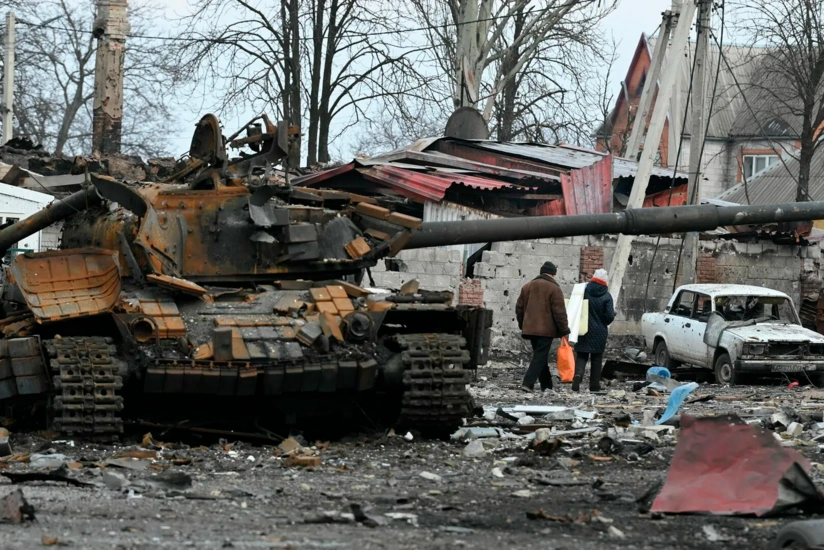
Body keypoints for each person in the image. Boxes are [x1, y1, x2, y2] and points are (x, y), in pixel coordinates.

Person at [515, 261, 570, 392]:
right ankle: (527, 383)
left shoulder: (527, 287)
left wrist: (523, 324)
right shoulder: (554, 289)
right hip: (546, 330)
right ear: (553, 274)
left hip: (530, 329)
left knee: (540, 356)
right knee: (540, 357)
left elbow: (519, 309)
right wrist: (564, 330)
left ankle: (547, 385)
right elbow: (559, 312)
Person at [572, 268, 615, 392]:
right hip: (599, 332)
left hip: (583, 328)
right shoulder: (607, 295)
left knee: (581, 355)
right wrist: (605, 321)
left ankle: (578, 375)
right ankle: (594, 386)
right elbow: (609, 316)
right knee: (596, 359)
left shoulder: (584, 291)